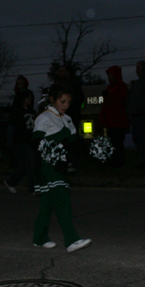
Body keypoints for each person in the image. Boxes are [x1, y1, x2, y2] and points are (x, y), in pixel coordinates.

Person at [32, 83, 92, 253]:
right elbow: (36, 143)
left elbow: (74, 144)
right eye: (62, 101)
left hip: (60, 166)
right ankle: (71, 239)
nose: (66, 106)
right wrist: (37, 171)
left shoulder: (66, 119)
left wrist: (91, 149)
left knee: (48, 203)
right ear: (52, 100)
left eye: (68, 102)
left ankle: (39, 237)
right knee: (62, 197)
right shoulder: (44, 117)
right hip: (47, 166)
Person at [5, 88, 36, 193]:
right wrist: (9, 143)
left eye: (30, 98)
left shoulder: (32, 111)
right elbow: (11, 127)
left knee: (24, 165)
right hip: (20, 141)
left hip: (30, 141)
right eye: (27, 98)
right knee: (30, 163)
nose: (29, 100)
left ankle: (10, 182)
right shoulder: (17, 111)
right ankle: (33, 188)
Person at [98, 65, 130, 167]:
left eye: (111, 75)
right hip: (111, 120)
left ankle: (119, 161)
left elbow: (118, 101)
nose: (109, 77)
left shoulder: (120, 86)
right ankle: (115, 160)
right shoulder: (111, 87)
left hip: (118, 120)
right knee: (113, 142)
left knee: (117, 142)